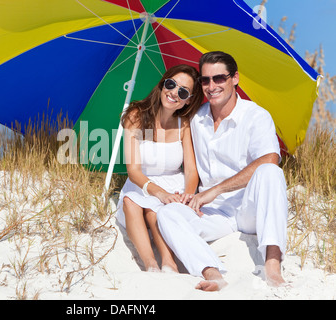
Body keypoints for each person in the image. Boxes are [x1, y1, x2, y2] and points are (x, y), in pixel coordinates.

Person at [157, 51, 289, 291]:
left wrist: (215, 190)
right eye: (205, 80)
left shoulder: (256, 116)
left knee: (271, 172)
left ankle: (272, 266)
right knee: (167, 214)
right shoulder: (195, 119)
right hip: (213, 214)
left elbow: (270, 158)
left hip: (249, 210)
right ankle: (213, 273)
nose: (211, 86)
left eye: (219, 78)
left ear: (235, 78)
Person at [115, 64, 204, 273]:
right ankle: (150, 264)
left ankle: (169, 263)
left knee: (156, 212)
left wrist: (187, 197)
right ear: (163, 83)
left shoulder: (184, 124)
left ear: (188, 100)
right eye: (171, 84)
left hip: (174, 183)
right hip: (142, 183)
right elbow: (134, 171)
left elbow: (191, 170)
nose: (174, 93)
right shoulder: (136, 116)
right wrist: (160, 194)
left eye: (182, 92)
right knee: (131, 201)